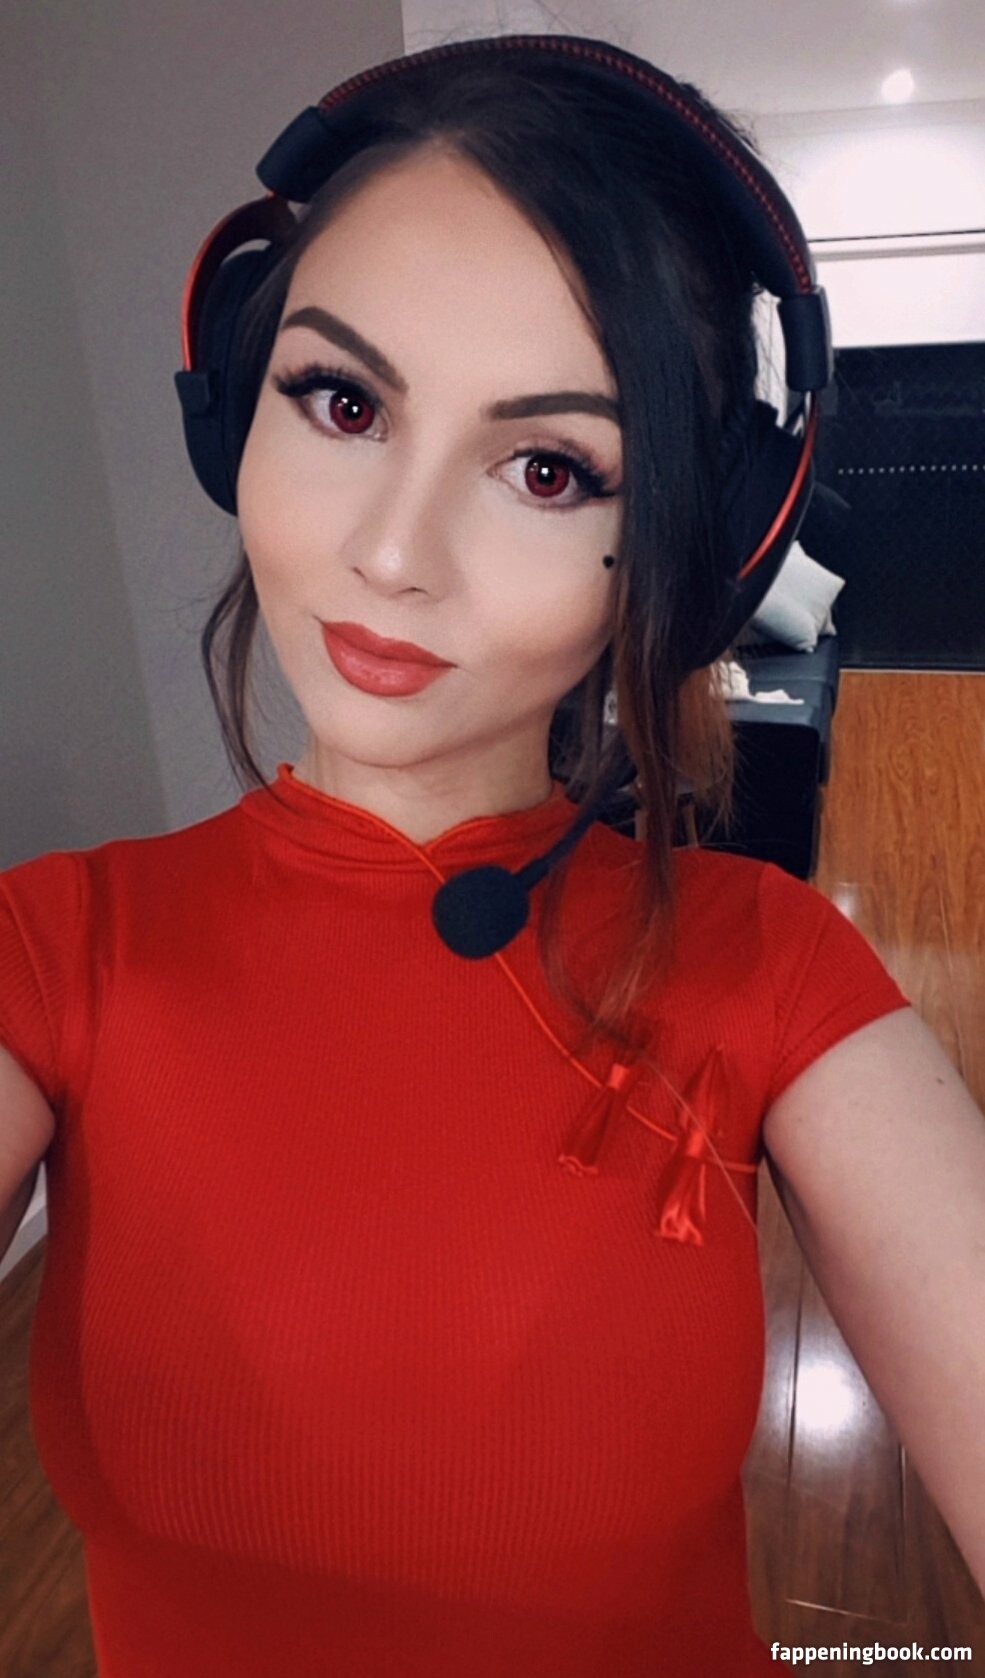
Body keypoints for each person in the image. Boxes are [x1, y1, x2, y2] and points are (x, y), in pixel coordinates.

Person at [1, 33, 983, 1678]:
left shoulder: (772, 964)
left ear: (683, 545)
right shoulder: (53, 952)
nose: (393, 552)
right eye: (342, 401)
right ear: (231, 400)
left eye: (546, 469)